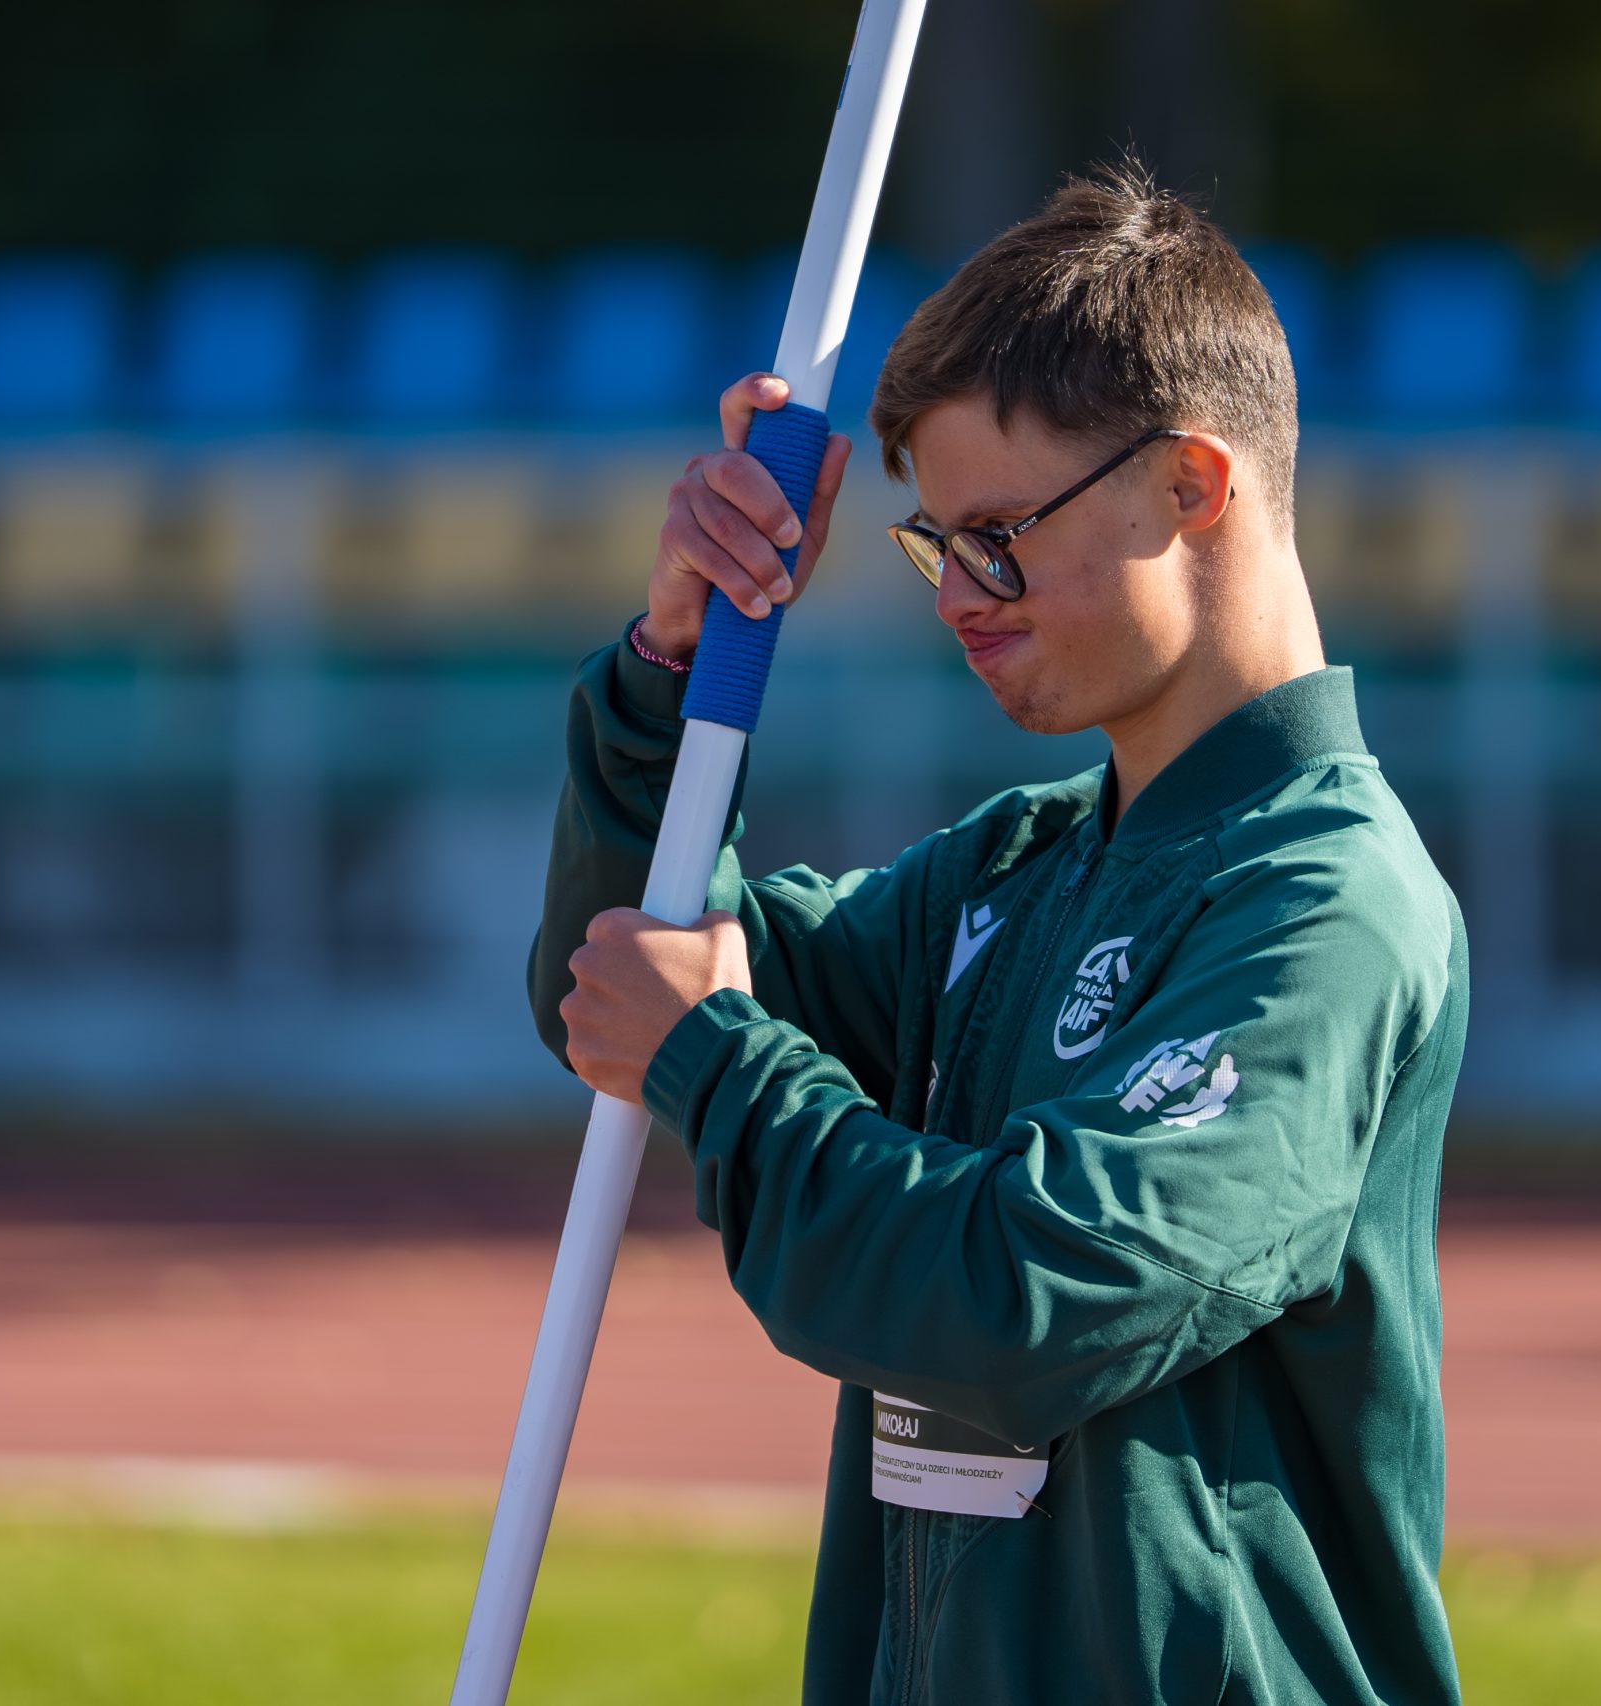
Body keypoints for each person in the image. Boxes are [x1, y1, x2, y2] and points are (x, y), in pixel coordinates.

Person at [528, 160, 1468, 1706]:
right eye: (937, 545)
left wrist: (727, 1063)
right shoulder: (1013, 869)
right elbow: (624, 973)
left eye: (1001, 533)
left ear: (1191, 485)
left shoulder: (1329, 900)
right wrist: (673, 666)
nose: (958, 594)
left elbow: (1032, 1300)